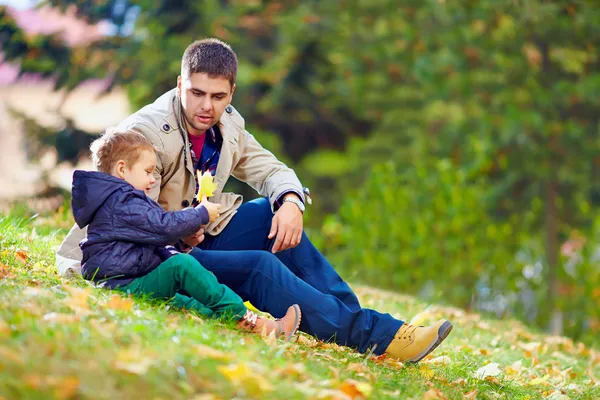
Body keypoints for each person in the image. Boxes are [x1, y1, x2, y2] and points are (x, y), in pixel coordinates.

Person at [57, 38, 452, 362]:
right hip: (150, 257)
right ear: (179, 85)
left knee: (270, 213)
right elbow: (120, 211)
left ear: (231, 93)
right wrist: (182, 229)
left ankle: (362, 325)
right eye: (196, 93)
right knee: (260, 266)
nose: (206, 106)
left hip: (194, 234)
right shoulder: (146, 133)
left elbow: (269, 169)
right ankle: (377, 337)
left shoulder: (227, 124)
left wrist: (292, 201)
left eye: (217, 96)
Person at [71, 129, 301, 340]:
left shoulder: (120, 200)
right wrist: (200, 213)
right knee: (182, 266)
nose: (153, 179)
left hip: (127, 279)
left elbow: (150, 239)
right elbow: (162, 225)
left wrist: (182, 242)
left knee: (188, 301)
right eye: (148, 171)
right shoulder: (122, 200)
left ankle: (239, 328)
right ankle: (246, 319)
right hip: (121, 284)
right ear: (122, 169)